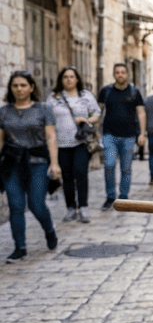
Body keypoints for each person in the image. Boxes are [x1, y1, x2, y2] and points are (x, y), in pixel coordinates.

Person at [1, 71, 60, 262]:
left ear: (32, 87)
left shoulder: (43, 109)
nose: (19, 89)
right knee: (16, 206)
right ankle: (20, 247)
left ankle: (49, 230)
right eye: (15, 85)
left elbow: (51, 137)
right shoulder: (4, 112)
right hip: (11, 163)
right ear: (11, 89)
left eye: (23, 85)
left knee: (36, 204)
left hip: (37, 162)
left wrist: (54, 163)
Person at [47, 67, 101, 223]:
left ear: (77, 79)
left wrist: (87, 121)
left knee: (81, 173)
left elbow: (97, 114)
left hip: (81, 142)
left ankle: (83, 208)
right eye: (65, 77)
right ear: (61, 80)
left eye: (72, 76)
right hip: (61, 144)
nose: (69, 79)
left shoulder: (85, 96)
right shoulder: (53, 98)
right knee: (67, 176)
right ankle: (71, 208)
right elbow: (47, 119)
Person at [97, 63, 145, 210]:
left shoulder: (134, 92)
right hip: (109, 135)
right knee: (109, 165)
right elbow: (98, 111)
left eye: (123, 72)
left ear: (127, 74)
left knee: (126, 168)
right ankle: (110, 196)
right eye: (117, 72)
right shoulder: (106, 91)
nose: (120, 75)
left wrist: (142, 133)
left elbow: (141, 113)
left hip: (129, 136)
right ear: (114, 74)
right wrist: (94, 132)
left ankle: (123, 198)